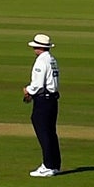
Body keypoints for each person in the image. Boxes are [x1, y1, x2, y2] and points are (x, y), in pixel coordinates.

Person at [25, 32, 61, 176]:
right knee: (51, 132)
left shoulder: (41, 61)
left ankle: (47, 165)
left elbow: (38, 84)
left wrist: (28, 90)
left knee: (44, 132)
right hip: (52, 99)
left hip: (44, 100)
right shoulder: (52, 59)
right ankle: (54, 164)